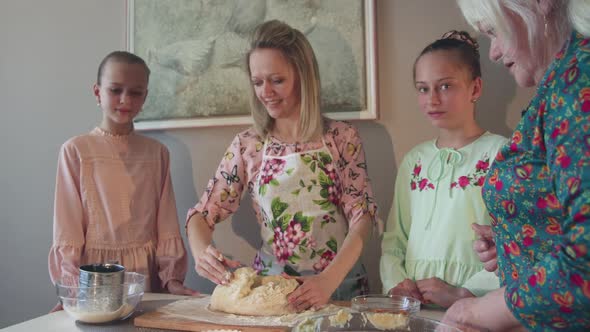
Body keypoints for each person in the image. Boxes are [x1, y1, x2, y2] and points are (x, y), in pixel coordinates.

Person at [185, 20, 378, 311]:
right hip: (273, 291)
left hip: (340, 285)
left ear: (302, 76)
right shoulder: (248, 145)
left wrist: (328, 280)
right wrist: (201, 252)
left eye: (277, 80)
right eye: (257, 82)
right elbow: (201, 215)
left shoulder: (341, 137)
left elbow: (361, 218)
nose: (266, 92)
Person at [441, 0, 590, 330]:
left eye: (494, 31)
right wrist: (519, 235)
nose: (493, 52)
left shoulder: (579, 82)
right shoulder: (562, 80)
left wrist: (475, 311)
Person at [49, 51, 197, 311]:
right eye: (116, 90)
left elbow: (166, 224)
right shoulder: (76, 151)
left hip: (144, 279)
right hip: (94, 279)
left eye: (136, 92)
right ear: (97, 92)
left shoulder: (157, 153)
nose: (125, 99)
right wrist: (70, 290)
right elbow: (68, 227)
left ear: (145, 96)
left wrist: (171, 279)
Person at [380, 31, 507, 309]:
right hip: (414, 307)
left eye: (445, 86)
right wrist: (397, 284)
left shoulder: (503, 155)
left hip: (479, 309)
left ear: (475, 89)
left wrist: (466, 293)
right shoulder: (414, 160)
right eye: (423, 88)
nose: (432, 99)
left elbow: (517, 243)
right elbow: (394, 238)